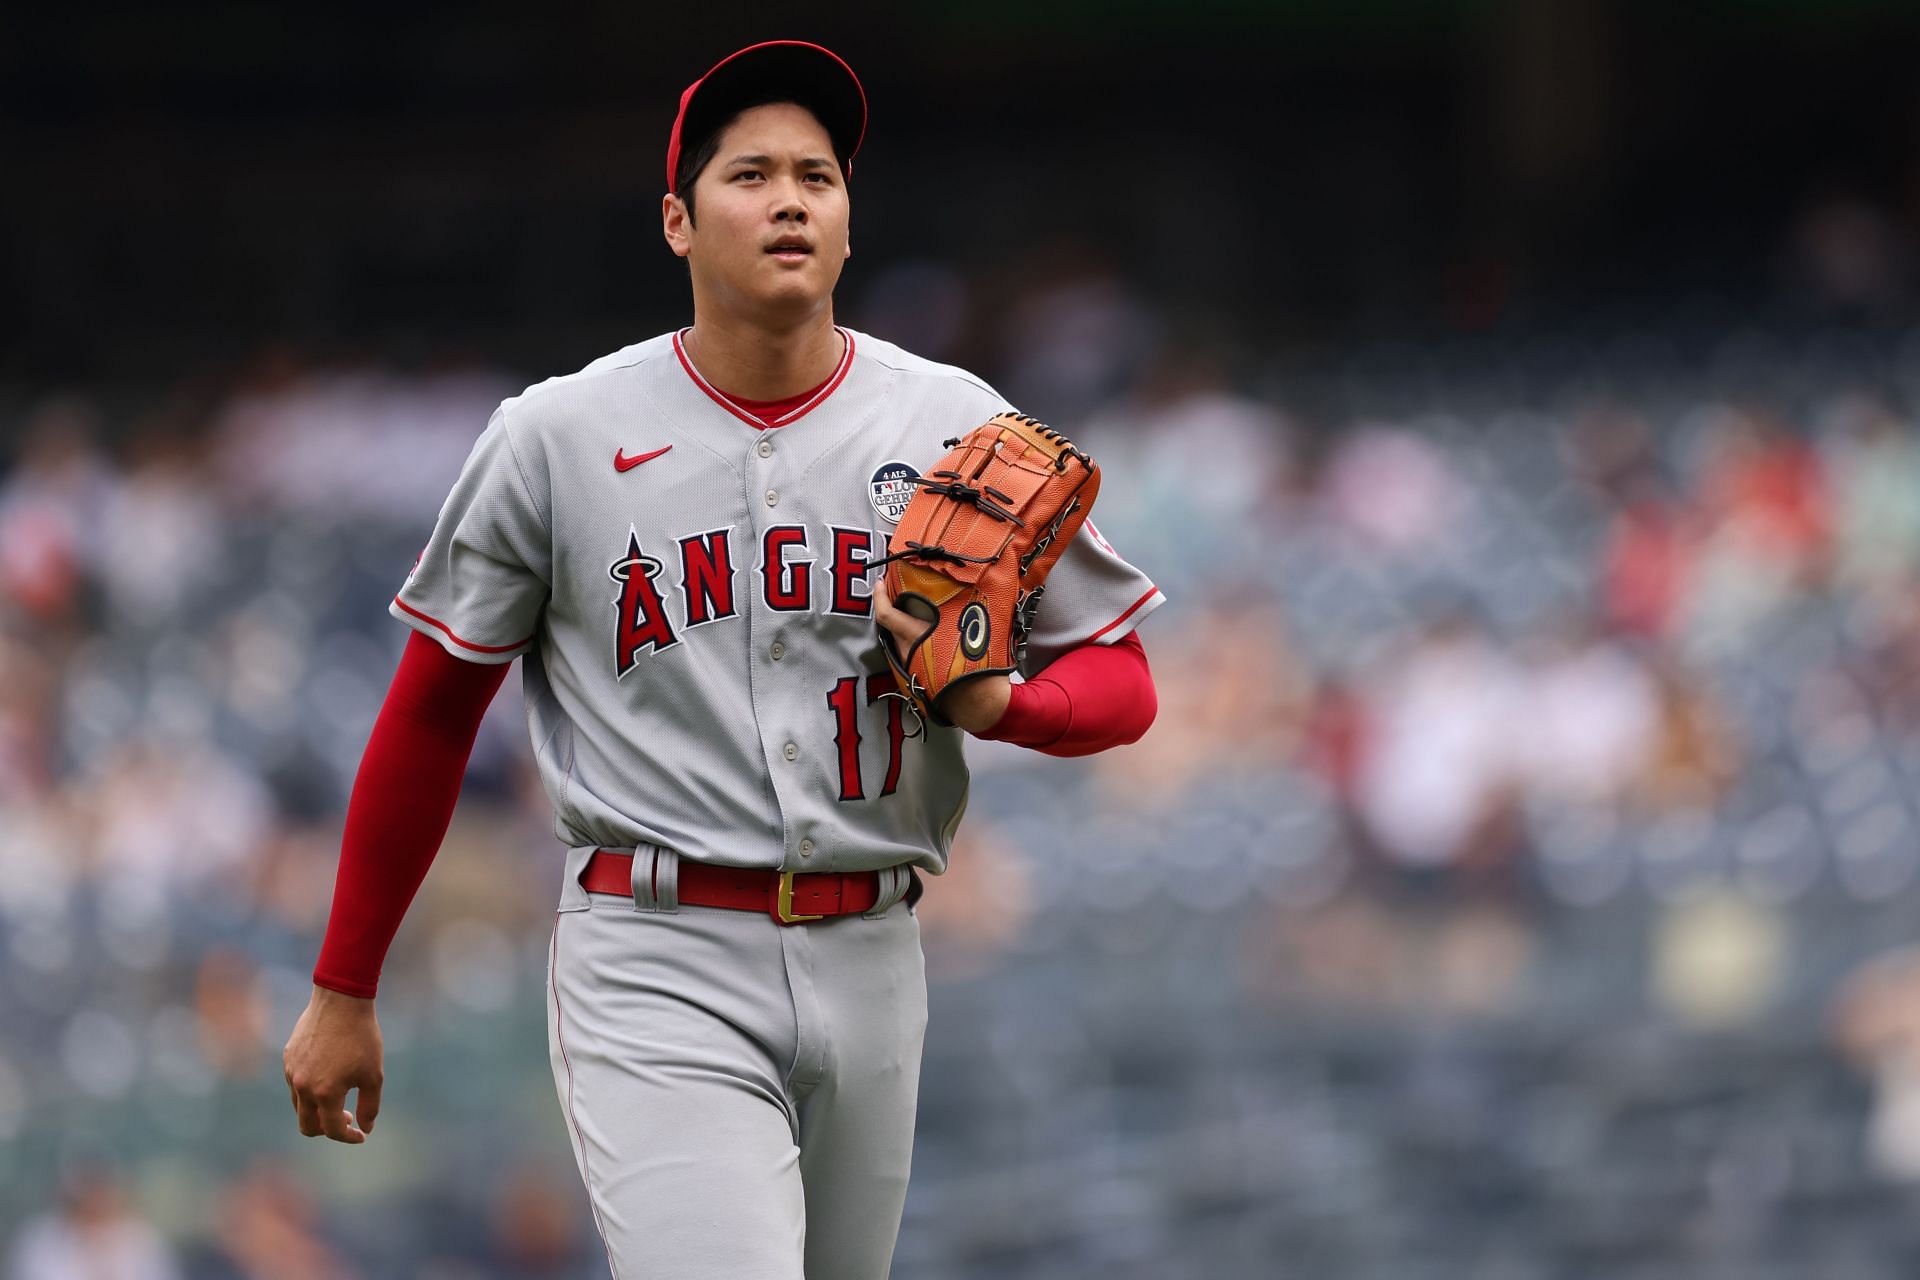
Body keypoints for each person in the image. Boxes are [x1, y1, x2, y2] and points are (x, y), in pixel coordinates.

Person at [282, 39, 1163, 1279]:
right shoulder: (558, 436)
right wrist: (345, 981)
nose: (792, 196)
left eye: (819, 174)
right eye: (750, 173)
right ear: (677, 221)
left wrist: (1003, 702)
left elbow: (1126, 682)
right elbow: (432, 712)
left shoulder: (956, 425)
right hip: (657, 948)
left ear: (851, 225)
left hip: (876, 952)